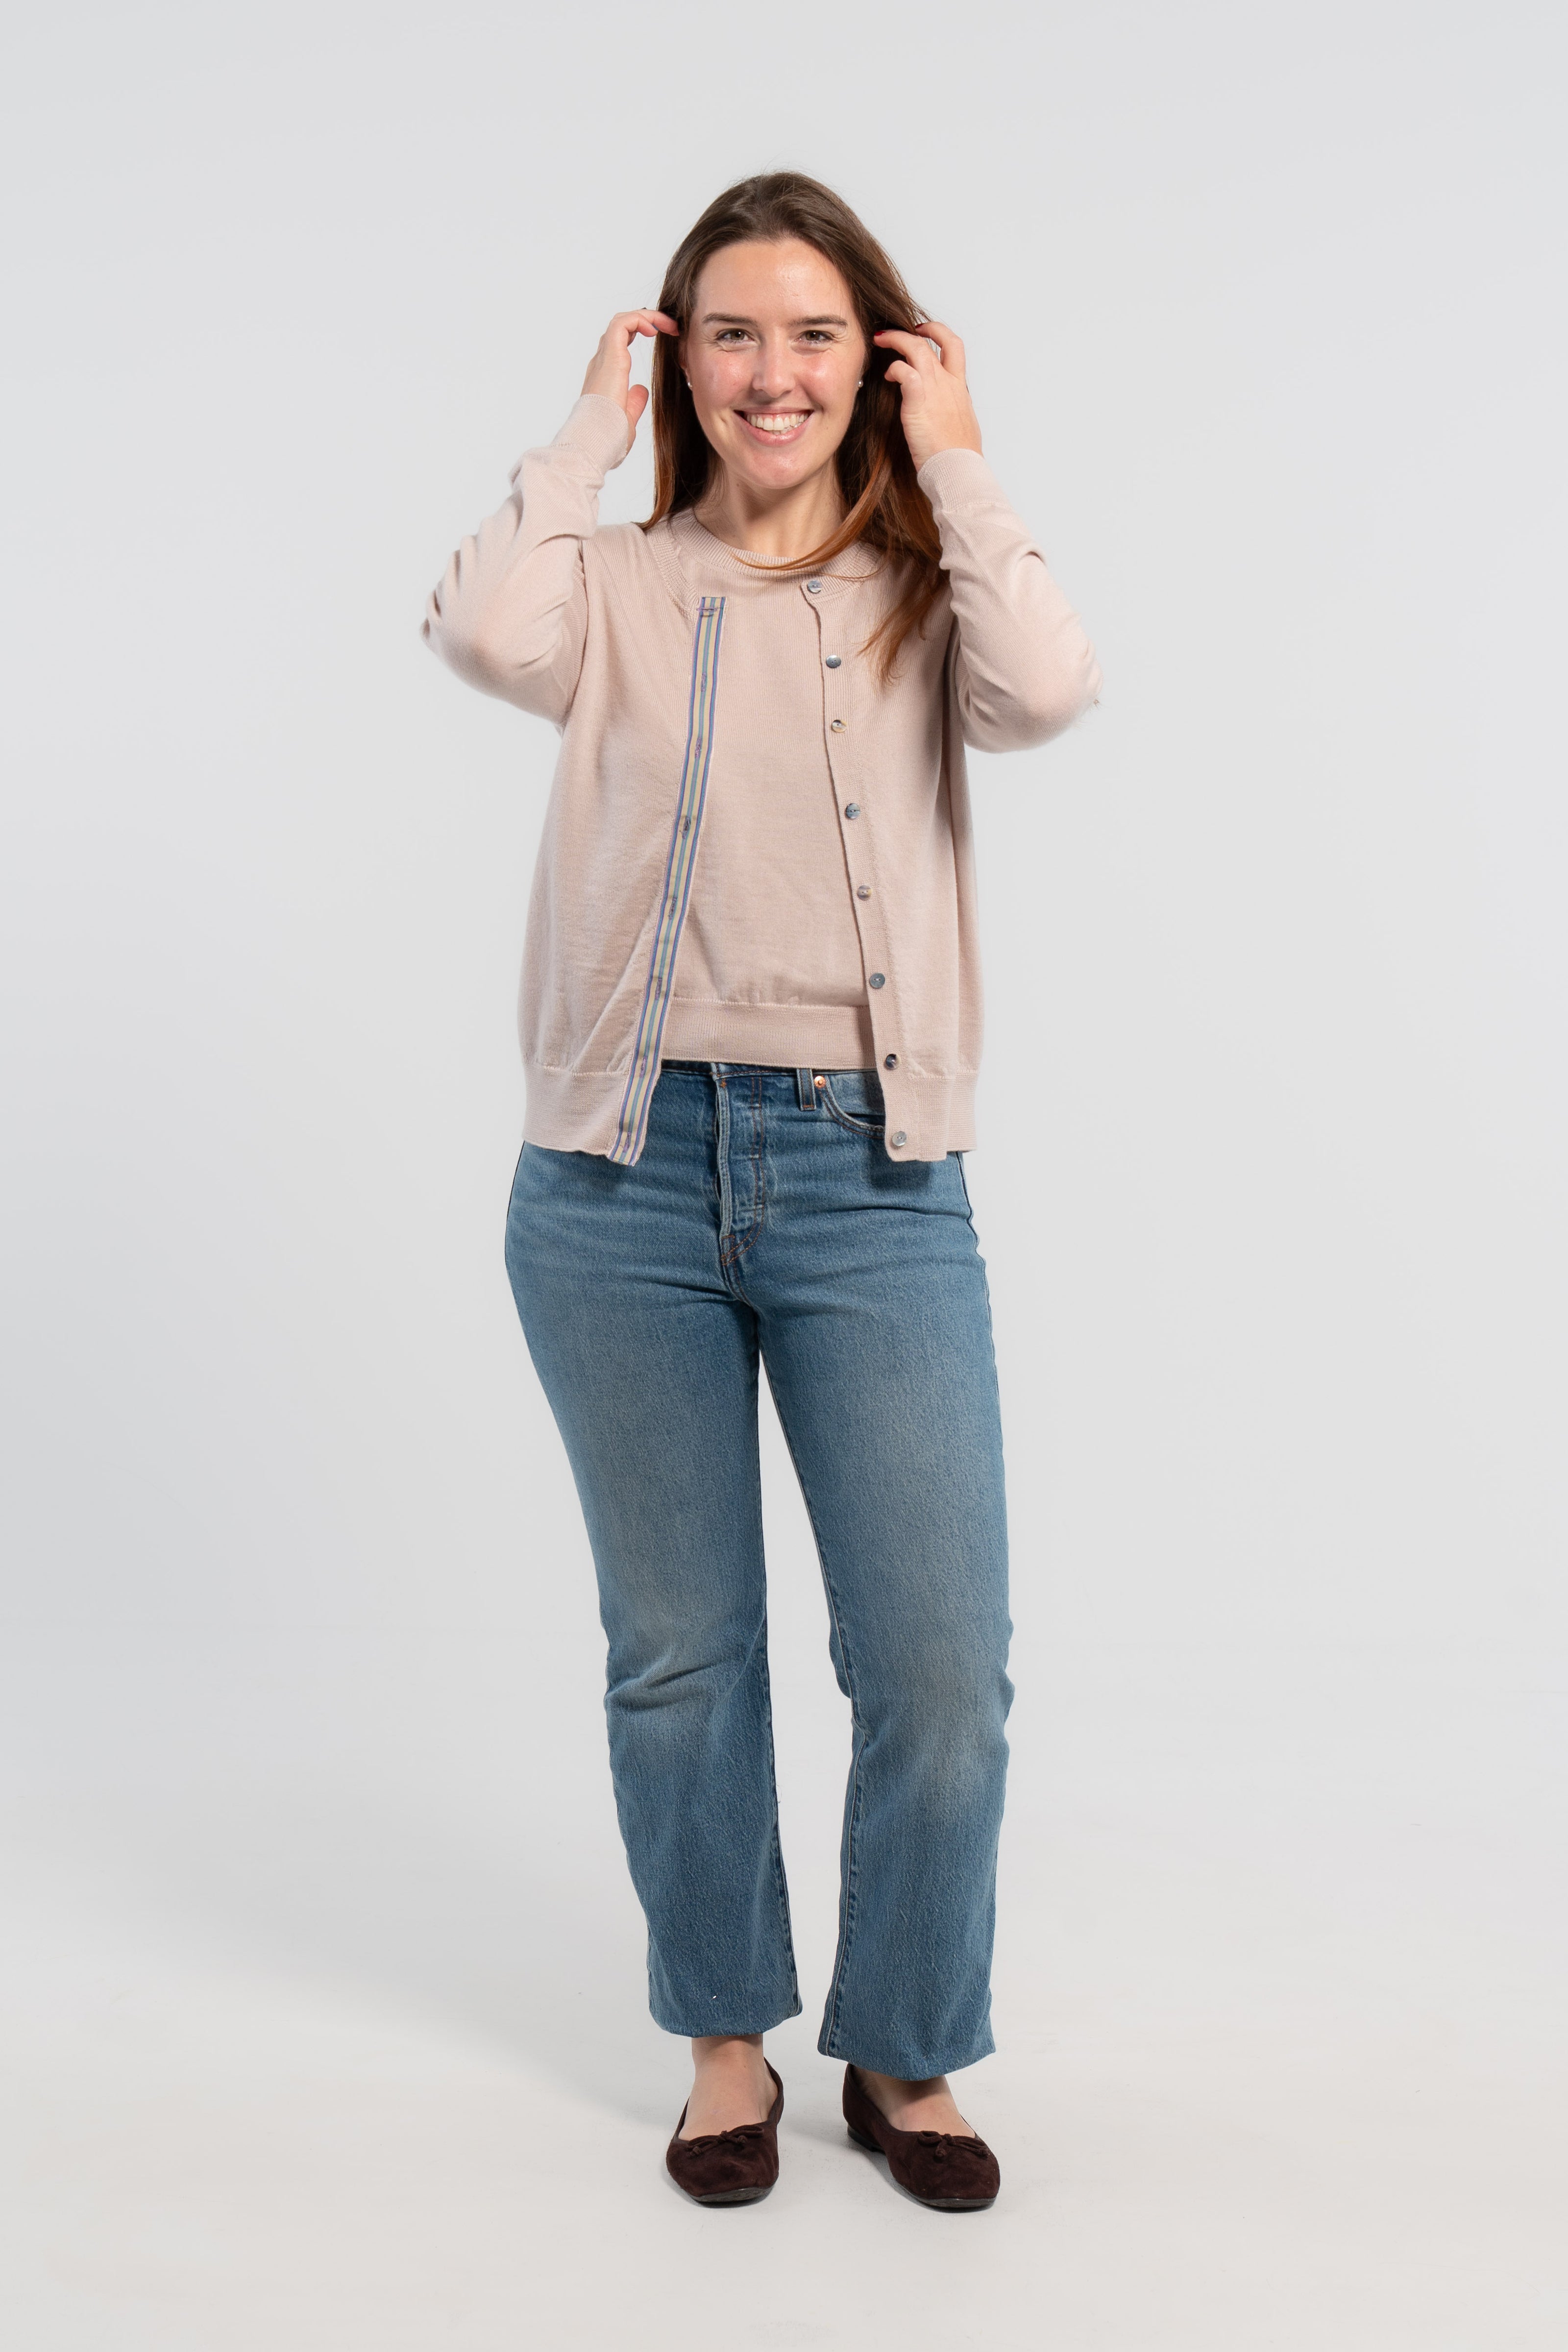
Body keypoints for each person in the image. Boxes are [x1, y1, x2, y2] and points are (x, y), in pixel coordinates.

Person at [423, 171, 1100, 2211]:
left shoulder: (923, 593)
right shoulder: (617, 587)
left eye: (815, 333)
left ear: (873, 357)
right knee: (680, 1655)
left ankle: (899, 2049)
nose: (771, 371)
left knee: (934, 1667)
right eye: (729, 332)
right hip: (617, 1182)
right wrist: (577, 447)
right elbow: (475, 625)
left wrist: (960, 462)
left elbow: (1050, 688)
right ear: (676, 356)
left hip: (867, 1182)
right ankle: (723, 2036)